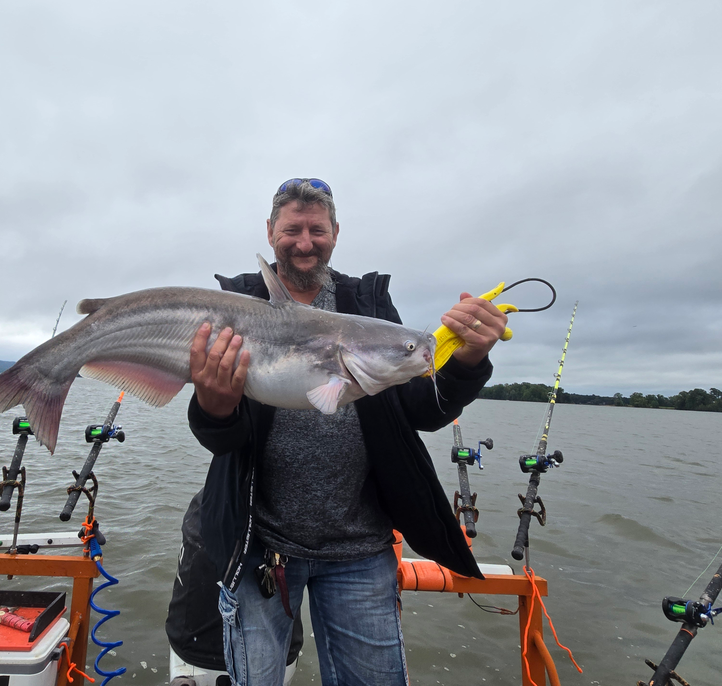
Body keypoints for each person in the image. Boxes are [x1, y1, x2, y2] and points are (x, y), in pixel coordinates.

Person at [186, 177, 508, 686]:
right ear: (270, 232)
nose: (305, 241)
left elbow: (420, 409)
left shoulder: (370, 307)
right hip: (260, 544)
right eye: (292, 229)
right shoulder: (234, 306)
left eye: (318, 229)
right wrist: (215, 403)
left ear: (336, 233)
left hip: (360, 548)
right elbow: (219, 438)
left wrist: (469, 358)